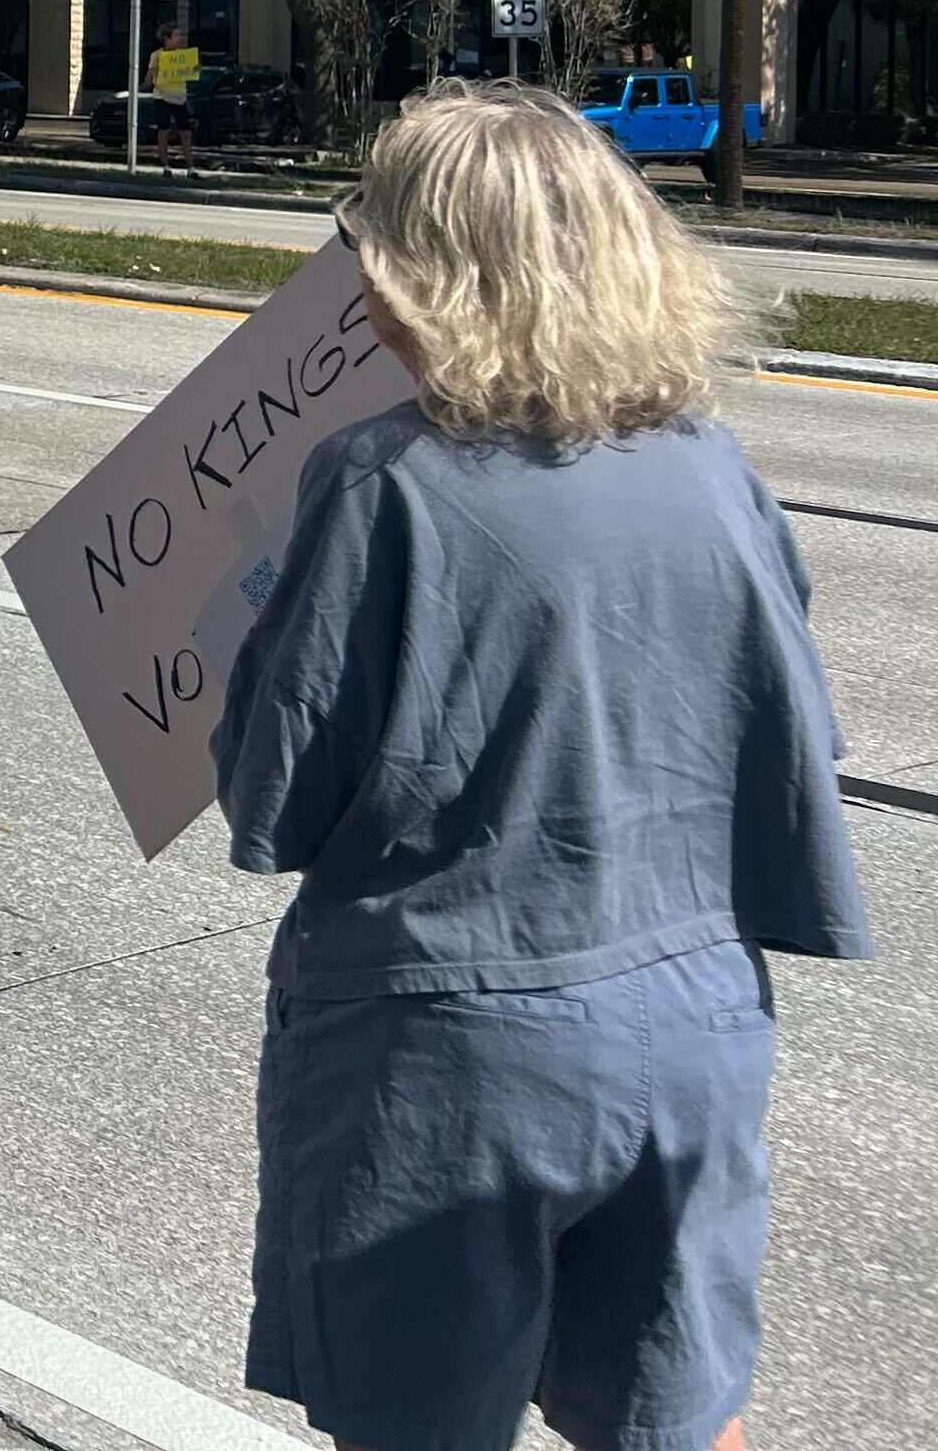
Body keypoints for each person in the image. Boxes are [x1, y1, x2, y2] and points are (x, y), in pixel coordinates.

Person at [208, 84, 869, 1451]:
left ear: (427, 279)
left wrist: (256, 628)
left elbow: (278, 800)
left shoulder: (384, 476)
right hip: (694, 1024)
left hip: (453, 1050)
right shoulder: (712, 466)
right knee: (680, 1414)